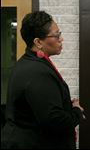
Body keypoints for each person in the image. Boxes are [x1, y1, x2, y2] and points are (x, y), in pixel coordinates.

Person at [1, 11, 85, 149]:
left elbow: (41, 104)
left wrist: (64, 105)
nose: (61, 39)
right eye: (56, 35)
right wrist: (76, 111)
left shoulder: (29, 62)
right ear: (38, 42)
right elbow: (54, 120)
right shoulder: (36, 71)